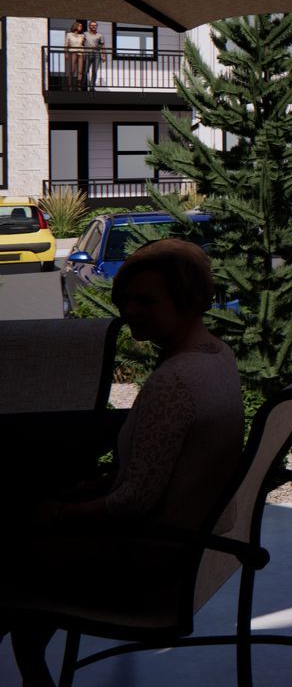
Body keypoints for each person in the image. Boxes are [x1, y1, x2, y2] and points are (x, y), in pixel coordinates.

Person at [1, 239, 241, 686]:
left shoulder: (175, 382)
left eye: (146, 300)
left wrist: (58, 512)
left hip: (147, 563)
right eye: (125, 299)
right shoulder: (216, 357)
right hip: (188, 546)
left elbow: (132, 502)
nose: (129, 310)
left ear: (188, 301)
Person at [62, 20, 86, 90]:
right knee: (72, 70)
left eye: (81, 26)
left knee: (80, 71)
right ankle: (70, 85)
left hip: (81, 52)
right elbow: (66, 45)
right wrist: (66, 53)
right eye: (79, 26)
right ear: (75, 26)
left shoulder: (82, 35)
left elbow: (83, 45)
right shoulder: (69, 34)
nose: (81, 27)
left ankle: (79, 86)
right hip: (72, 52)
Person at [83, 20, 106, 89]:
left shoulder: (100, 35)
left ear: (96, 26)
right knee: (85, 70)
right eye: (92, 25)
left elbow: (103, 46)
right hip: (87, 54)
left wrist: (104, 56)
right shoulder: (85, 34)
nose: (93, 26)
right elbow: (81, 42)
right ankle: (84, 85)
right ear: (89, 26)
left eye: (95, 25)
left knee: (94, 71)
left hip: (97, 54)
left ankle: (92, 87)